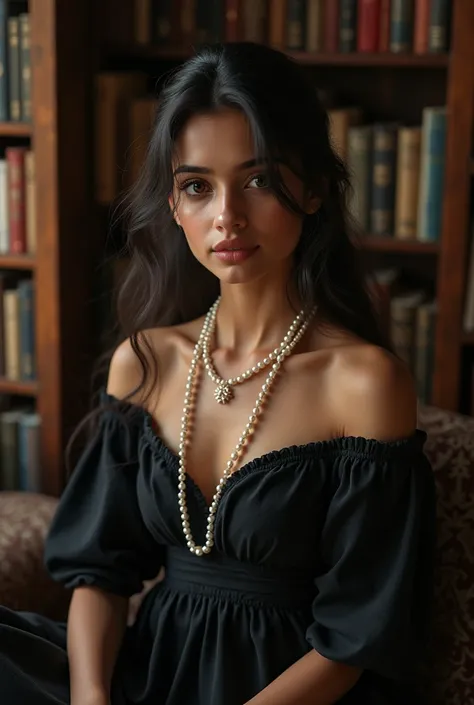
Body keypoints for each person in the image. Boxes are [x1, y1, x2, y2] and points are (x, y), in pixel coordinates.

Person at [0, 42, 436, 705]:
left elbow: (358, 633)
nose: (226, 216)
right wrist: (91, 698)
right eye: (197, 186)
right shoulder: (144, 363)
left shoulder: (365, 383)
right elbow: (100, 572)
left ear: (313, 188)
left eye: (259, 179)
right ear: (173, 206)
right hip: (151, 672)